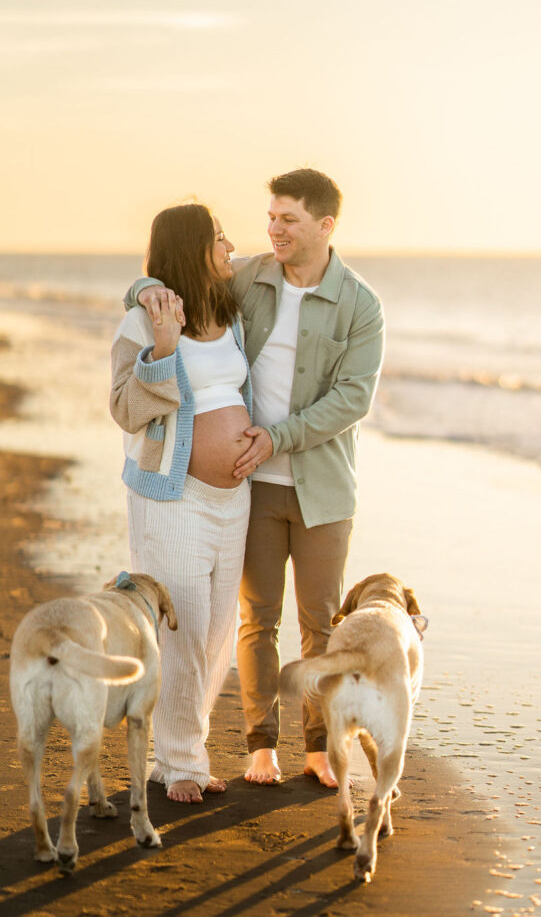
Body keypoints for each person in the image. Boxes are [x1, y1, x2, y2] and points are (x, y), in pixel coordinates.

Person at [125, 169, 384, 787]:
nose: (273, 229)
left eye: (288, 219)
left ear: (325, 225)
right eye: (271, 217)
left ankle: (319, 749)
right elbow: (175, 272)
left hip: (322, 485)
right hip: (253, 483)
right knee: (255, 617)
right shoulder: (251, 277)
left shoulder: (360, 304)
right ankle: (259, 745)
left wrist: (278, 435)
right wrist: (141, 291)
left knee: (321, 621)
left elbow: (353, 397)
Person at [111, 202, 252, 803]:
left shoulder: (227, 307)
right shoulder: (142, 325)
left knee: (219, 627)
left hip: (233, 497)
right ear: (193, 246)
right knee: (182, 626)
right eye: (219, 237)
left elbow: (273, 263)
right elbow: (124, 408)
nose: (230, 245)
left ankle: (178, 755)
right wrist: (164, 350)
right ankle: (180, 760)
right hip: (173, 497)